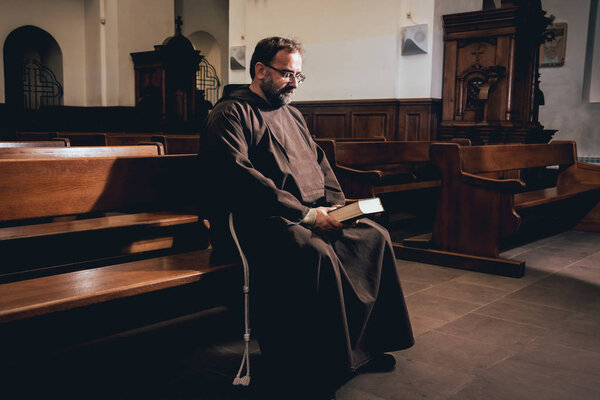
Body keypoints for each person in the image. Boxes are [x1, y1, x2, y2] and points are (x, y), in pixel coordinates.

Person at [202, 37, 413, 399]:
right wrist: (306, 215)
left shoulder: (294, 115)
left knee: (373, 237)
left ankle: (363, 350)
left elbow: (320, 165)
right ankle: (316, 365)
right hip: (258, 220)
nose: (294, 84)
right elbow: (237, 176)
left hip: (310, 213)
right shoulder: (230, 113)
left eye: (299, 76)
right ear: (260, 70)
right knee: (312, 251)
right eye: (287, 74)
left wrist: (337, 208)